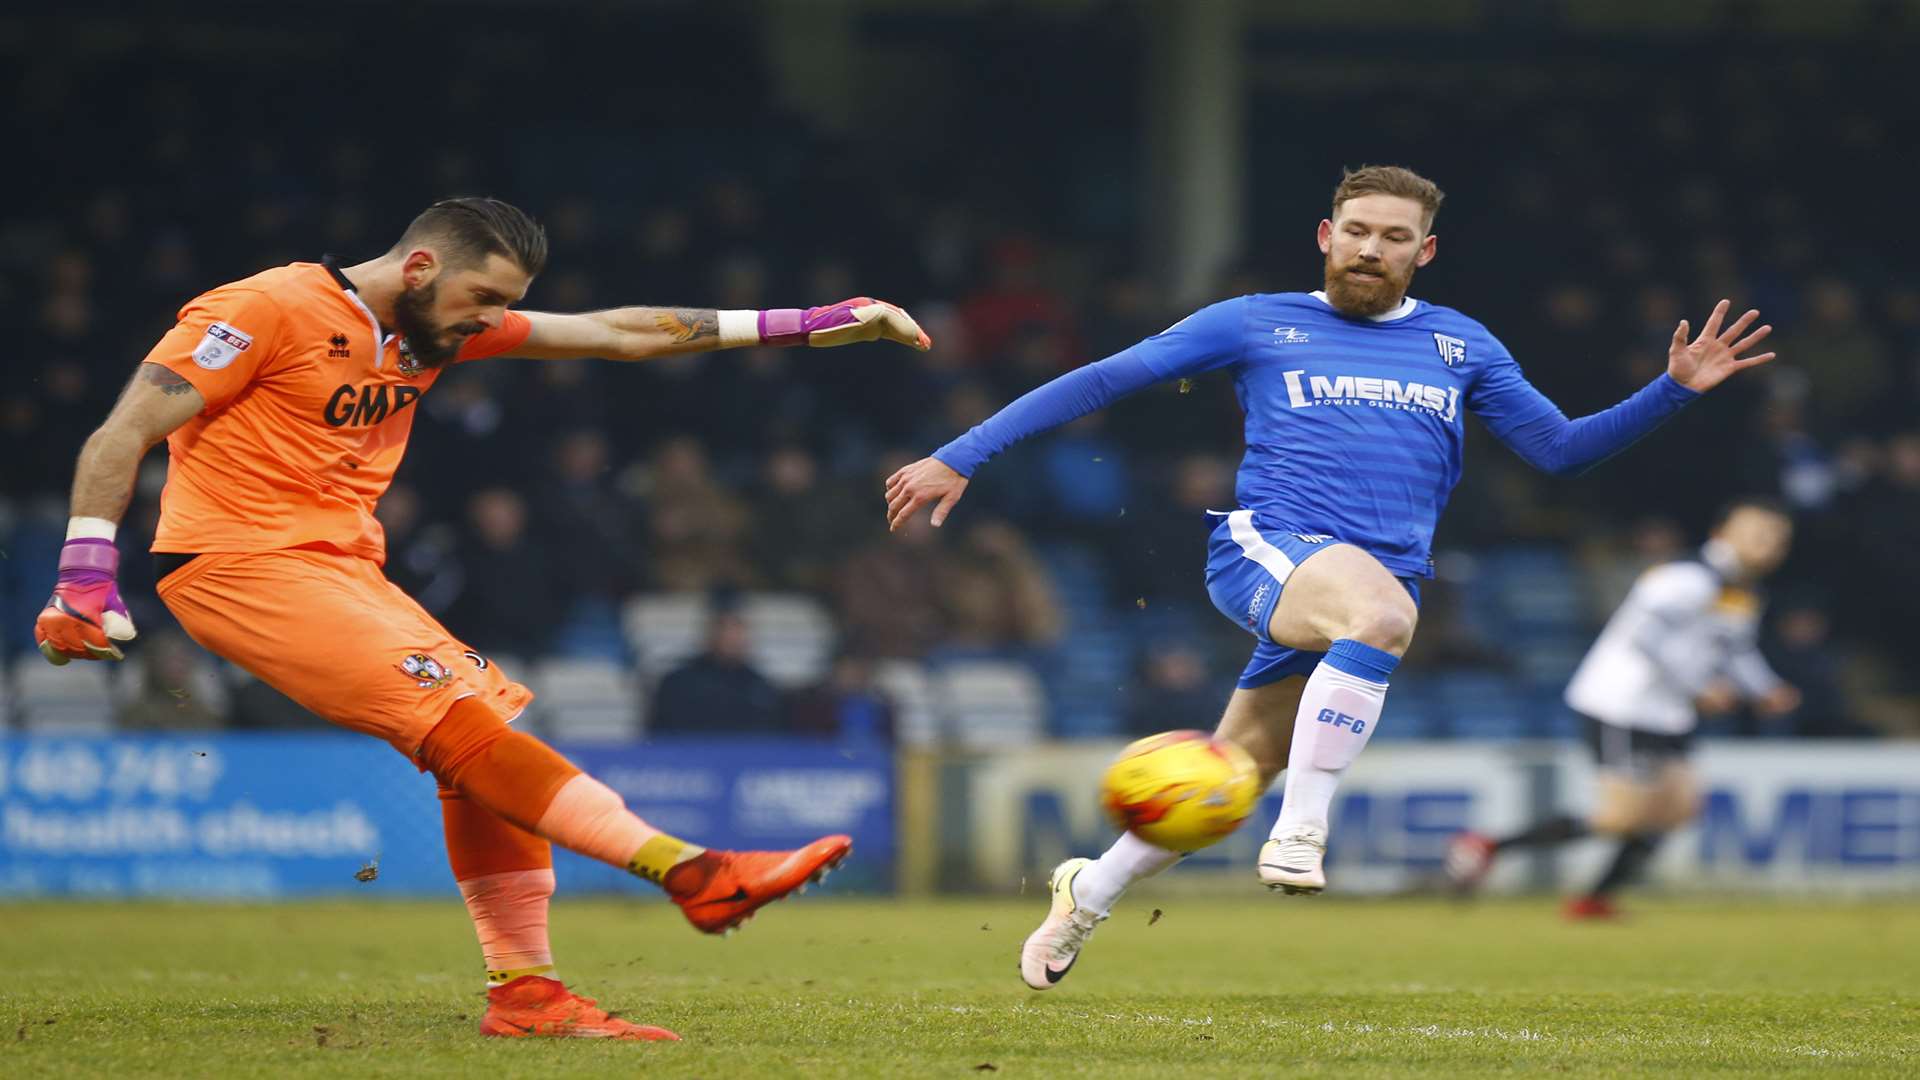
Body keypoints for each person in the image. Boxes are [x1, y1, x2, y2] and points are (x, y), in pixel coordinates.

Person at [32, 197, 931, 1041]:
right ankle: (695, 873)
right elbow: (123, 432)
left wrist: (802, 322)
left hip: (345, 569)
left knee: (482, 745)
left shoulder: (432, 326)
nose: (487, 319)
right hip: (239, 566)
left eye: (505, 306)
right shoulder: (265, 307)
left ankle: (526, 992)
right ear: (420, 265)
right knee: (462, 728)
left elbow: (618, 332)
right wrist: (83, 571)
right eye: (483, 298)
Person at [884, 166, 1778, 990]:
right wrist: (962, 453)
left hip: (1366, 585)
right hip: (1269, 549)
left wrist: (1673, 392)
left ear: (1423, 252)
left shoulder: (1461, 345)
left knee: (1228, 777)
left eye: (1393, 237)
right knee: (1383, 619)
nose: (1369, 248)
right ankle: (1306, 829)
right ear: (1325, 234)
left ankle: (1087, 891)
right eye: (1356, 230)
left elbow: (1561, 450)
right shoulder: (1254, 321)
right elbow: (1102, 379)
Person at [1444, 500, 1799, 917]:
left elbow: (1735, 648)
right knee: (1620, 816)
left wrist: (1766, 688)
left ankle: (1594, 897)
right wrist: (1699, 686)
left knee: (1678, 808)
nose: (1769, 544)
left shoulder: (1743, 592)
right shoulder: (1684, 578)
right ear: (1722, 534)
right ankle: (1487, 847)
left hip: (1667, 711)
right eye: (1758, 533)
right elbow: (1644, 636)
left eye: (1778, 538)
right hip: (1622, 704)